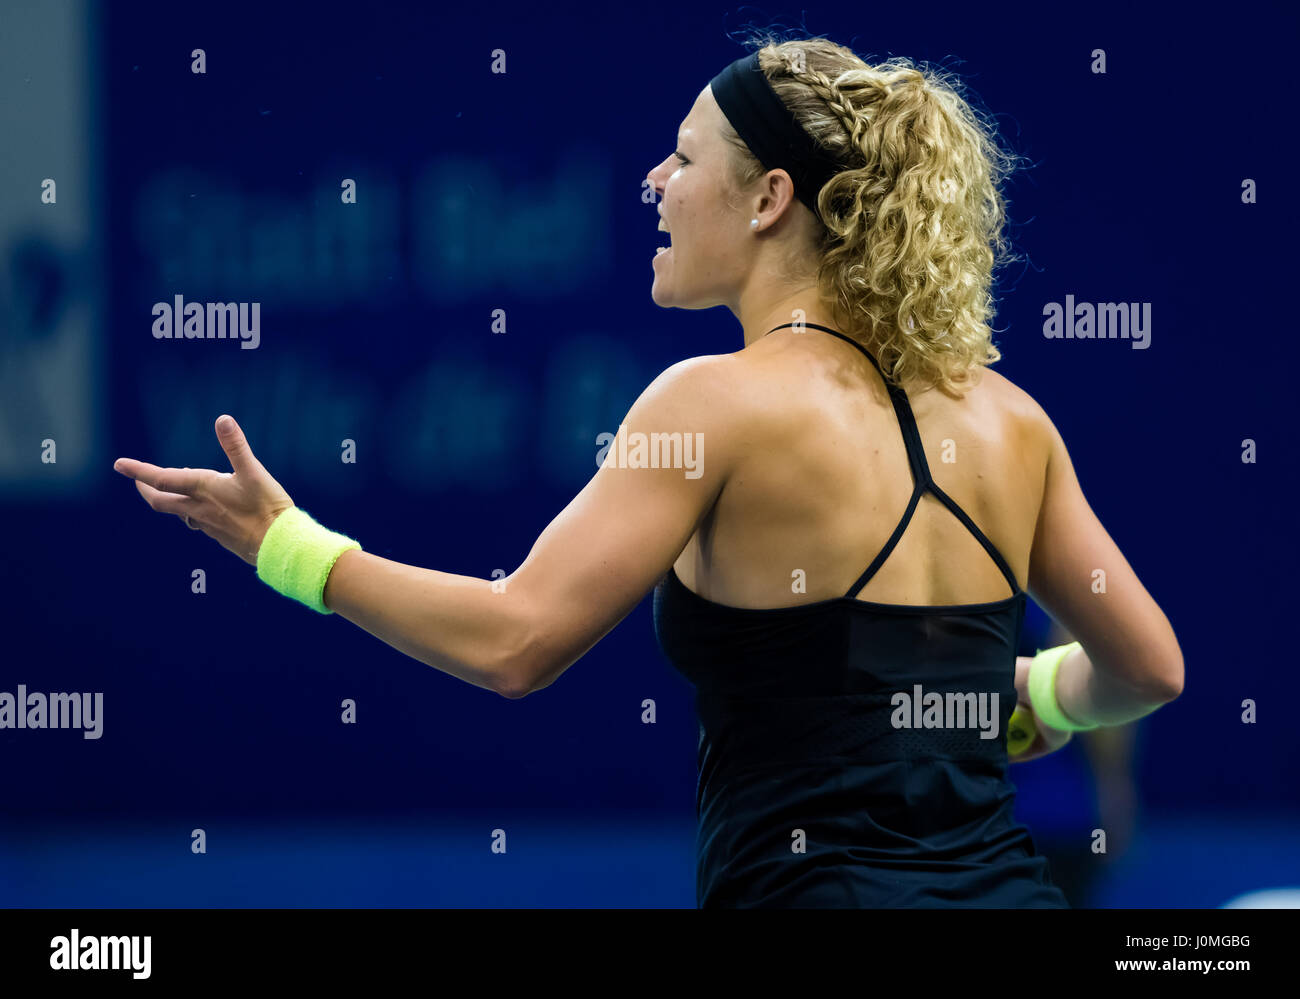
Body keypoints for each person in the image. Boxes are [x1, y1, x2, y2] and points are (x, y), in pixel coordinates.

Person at [112, 34, 1184, 907]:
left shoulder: (709, 404)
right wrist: (982, 708)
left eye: (681, 158)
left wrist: (286, 547)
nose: (653, 182)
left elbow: (515, 641)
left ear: (767, 199)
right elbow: (1146, 671)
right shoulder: (1009, 419)